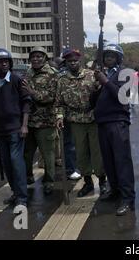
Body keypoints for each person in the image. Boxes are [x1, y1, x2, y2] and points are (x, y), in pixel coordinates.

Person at [56, 49, 107, 197]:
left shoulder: (91, 75)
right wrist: (59, 116)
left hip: (93, 119)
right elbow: (59, 102)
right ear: (66, 62)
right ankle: (88, 182)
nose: (73, 63)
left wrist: (100, 83)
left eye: (75, 61)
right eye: (70, 61)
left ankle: (102, 181)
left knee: (97, 152)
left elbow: (102, 94)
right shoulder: (62, 80)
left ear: (80, 61)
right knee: (81, 153)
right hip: (76, 120)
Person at [93, 43, 136, 216]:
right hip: (102, 122)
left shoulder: (125, 74)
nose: (108, 58)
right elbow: (93, 101)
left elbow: (123, 98)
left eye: (112, 55)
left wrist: (106, 82)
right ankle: (115, 190)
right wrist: (96, 88)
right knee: (108, 161)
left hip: (118, 122)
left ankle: (127, 198)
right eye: (106, 55)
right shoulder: (102, 74)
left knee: (122, 161)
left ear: (118, 58)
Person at [0, 48, 30, 211]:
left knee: (16, 162)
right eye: (0, 61)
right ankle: (15, 192)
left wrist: (24, 124)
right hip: (0, 130)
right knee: (6, 164)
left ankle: (22, 197)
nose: (4, 63)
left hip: (16, 129)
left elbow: (26, 102)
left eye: (6, 61)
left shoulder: (16, 80)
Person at [22, 47, 58, 195]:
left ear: (45, 58)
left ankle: (49, 180)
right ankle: (28, 176)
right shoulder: (28, 73)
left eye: (39, 56)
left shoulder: (52, 74)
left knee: (47, 153)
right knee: (27, 152)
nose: (36, 59)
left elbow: (52, 96)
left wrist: (32, 93)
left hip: (46, 121)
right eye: (33, 57)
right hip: (28, 120)